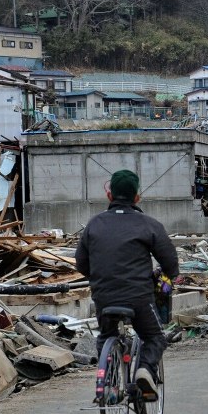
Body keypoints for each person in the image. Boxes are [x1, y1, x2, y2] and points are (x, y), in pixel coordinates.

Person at [75, 169, 178, 401]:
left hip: (104, 296)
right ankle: (145, 371)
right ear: (137, 198)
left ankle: (109, 385)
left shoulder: (94, 224)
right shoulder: (148, 225)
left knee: (106, 335)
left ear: (109, 196)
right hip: (139, 297)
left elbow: (81, 263)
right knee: (155, 338)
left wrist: (100, 278)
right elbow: (170, 263)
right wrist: (168, 278)